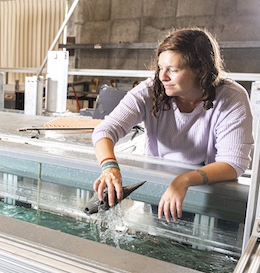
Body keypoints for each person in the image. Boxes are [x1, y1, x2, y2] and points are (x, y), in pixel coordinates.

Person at [92, 27, 254, 222]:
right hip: (164, 188)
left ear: (201, 70)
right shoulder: (150, 91)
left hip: (213, 192)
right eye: (160, 68)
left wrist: (184, 180)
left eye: (173, 70)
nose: (163, 76)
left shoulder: (231, 98)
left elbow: (233, 163)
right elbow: (105, 130)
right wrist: (109, 167)